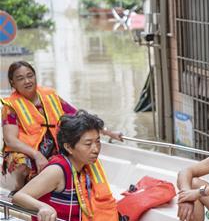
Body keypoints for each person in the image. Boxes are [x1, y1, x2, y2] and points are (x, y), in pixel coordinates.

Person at [12, 110, 153, 221]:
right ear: (68, 147)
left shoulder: (87, 166)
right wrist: (42, 207)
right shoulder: (58, 170)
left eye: (98, 142)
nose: (95, 149)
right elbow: (19, 197)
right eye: (88, 144)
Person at [2, 61, 123, 192]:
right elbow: (10, 140)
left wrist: (108, 133)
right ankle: (20, 193)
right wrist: (36, 155)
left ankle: (76, 188)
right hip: (28, 151)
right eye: (20, 78)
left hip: (56, 146)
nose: (27, 81)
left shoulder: (51, 96)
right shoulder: (10, 107)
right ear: (13, 83)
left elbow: (79, 118)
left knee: (78, 151)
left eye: (30, 76)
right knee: (21, 163)